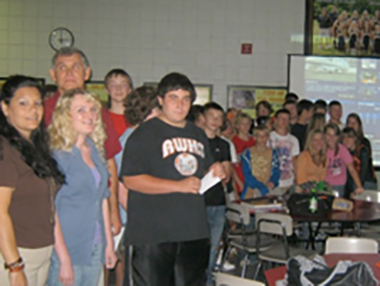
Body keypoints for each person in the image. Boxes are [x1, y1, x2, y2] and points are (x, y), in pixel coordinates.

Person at [120, 72, 226, 286]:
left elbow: (202, 174)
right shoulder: (144, 134)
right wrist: (177, 186)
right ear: (161, 100)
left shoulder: (197, 134)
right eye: (173, 98)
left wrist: (216, 171)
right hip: (153, 234)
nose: (180, 105)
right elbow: (131, 180)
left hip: (192, 231)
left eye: (186, 99)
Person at [44, 48, 122, 244]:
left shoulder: (99, 113)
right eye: (62, 68)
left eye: (76, 67)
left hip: (93, 208)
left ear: (87, 73)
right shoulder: (41, 112)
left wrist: (113, 210)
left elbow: (109, 162)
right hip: (54, 208)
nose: (69, 73)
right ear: (53, 75)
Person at [47, 89, 117, 286]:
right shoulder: (58, 154)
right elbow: (51, 209)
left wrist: (108, 244)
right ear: (66, 115)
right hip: (68, 245)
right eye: (81, 110)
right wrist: (63, 258)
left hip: (95, 244)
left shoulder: (94, 149)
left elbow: (101, 198)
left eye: (93, 109)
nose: (90, 116)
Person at [0, 76, 65, 286]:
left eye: (37, 103)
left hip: (41, 250)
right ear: (5, 107)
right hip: (16, 254)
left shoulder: (35, 148)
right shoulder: (5, 151)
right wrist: (14, 265)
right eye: (23, 103)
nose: (33, 110)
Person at [113, 86, 161, 286]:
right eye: (159, 110)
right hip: (135, 224)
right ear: (148, 111)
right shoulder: (130, 141)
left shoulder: (146, 138)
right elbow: (121, 185)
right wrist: (139, 220)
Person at [202, 102, 232, 285]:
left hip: (218, 203)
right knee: (198, 247)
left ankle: (208, 281)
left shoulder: (224, 145)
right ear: (204, 118)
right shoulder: (195, 141)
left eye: (219, 117)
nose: (215, 120)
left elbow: (226, 176)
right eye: (211, 116)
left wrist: (218, 172)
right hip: (198, 203)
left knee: (213, 247)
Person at [324, 123, 364, 197]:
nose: (331, 138)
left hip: (339, 184)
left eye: (334, 135)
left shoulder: (342, 149)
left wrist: (359, 186)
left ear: (338, 137)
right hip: (324, 184)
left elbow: (352, 170)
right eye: (328, 135)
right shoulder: (321, 149)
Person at [241, 125, 280, 199]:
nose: (262, 138)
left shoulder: (272, 153)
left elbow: (276, 170)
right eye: (259, 136)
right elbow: (247, 174)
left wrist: (273, 181)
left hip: (268, 188)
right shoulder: (247, 153)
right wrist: (260, 186)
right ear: (254, 137)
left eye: (265, 136)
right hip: (251, 190)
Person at [269, 109, 300, 193]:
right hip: (272, 182)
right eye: (281, 118)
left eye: (286, 119)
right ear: (275, 120)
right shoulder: (268, 137)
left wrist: (297, 179)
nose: (284, 121)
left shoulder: (294, 140)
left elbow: (295, 161)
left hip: (289, 182)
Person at [341, 127, 377, 196]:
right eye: (344, 138)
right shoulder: (345, 152)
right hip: (355, 183)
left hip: (367, 182)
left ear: (354, 138)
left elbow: (363, 172)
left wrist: (357, 188)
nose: (346, 140)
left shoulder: (362, 150)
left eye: (349, 137)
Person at [104, 69, 133, 137]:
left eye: (123, 85)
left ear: (129, 90)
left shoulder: (135, 118)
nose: (118, 89)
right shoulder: (101, 117)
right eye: (113, 85)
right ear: (106, 90)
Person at [232, 112, 255, 195]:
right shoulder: (233, 142)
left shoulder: (254, 140)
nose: (246, 126)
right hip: (241, 180)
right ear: (237, 125)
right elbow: (232, 167)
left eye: (248, 123)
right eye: (242, 124)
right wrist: (239, 183)